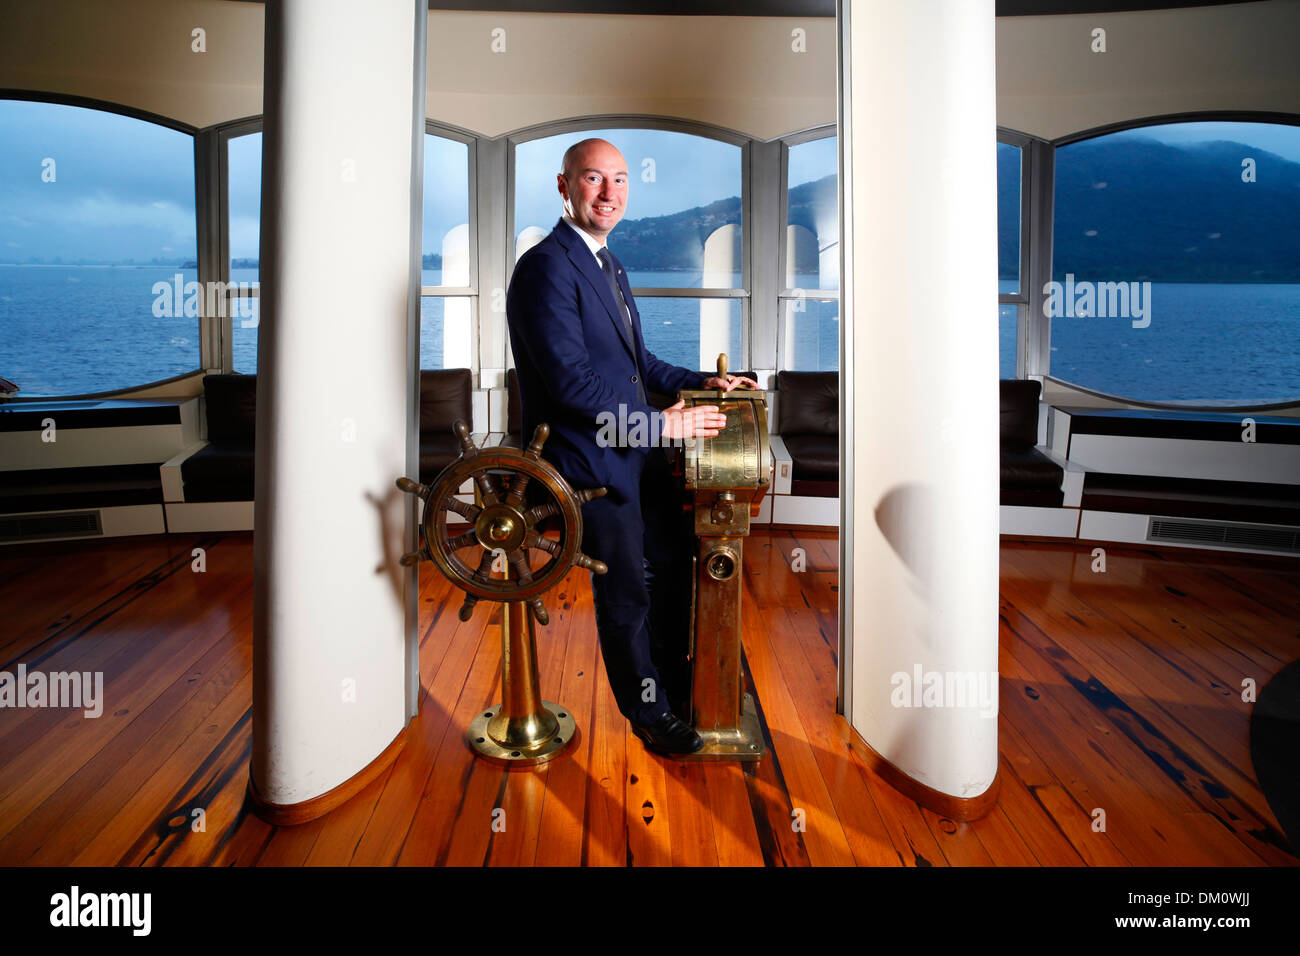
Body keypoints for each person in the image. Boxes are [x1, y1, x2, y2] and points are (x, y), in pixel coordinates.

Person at [506, 137, 757, 755]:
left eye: (619, 180)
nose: (609, 193)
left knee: (672, 566)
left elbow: (635, 363)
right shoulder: (544, 268)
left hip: (632, 452)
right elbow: (574, 391)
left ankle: (671, 682)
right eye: (594, 179)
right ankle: (648, 713)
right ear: (565, 187)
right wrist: (665, 426)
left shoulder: (606, 263)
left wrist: (702, 382)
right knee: (627, 594)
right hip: (585, 463)